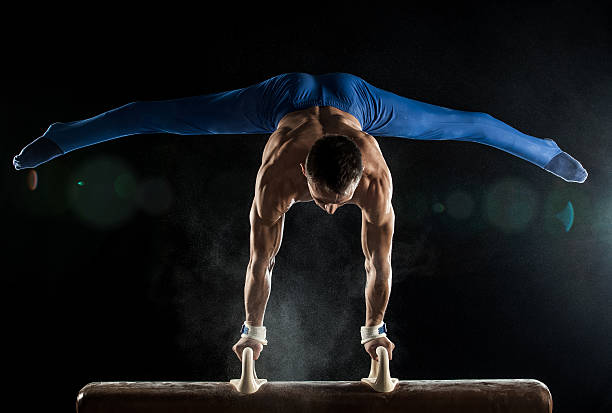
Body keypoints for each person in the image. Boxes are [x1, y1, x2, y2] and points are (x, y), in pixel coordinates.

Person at [12, 72, 588, 363]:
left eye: (334, 203)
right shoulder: (277, 178)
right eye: (318, 198)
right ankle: (61, 139)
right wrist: (253, 332)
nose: (328, 210)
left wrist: (374, 330)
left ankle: (545, 149)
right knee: (154, 114)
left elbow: (378, 263)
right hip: (279, 103)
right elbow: (262, 261)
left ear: (360, 178)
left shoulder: (377, 181)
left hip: (357, 103)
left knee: (471, 124)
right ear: (303, 179)